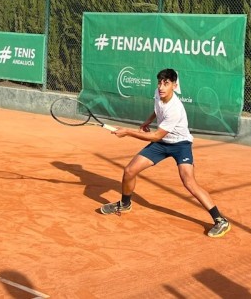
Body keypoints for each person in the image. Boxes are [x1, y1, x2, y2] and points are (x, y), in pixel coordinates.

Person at [98, 68, 231, 238]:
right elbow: (157, 109)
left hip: (180, 144)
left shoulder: (175, 109)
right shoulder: (158, 93)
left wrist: (127, 132)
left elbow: (155, 136)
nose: (161, 87)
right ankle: (125, 204)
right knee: (130, 170)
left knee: (188, 181)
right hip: (162, 143)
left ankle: (220, 220)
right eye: (160, 82)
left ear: (174, 86)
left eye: (166, 84)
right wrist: (148, 121)